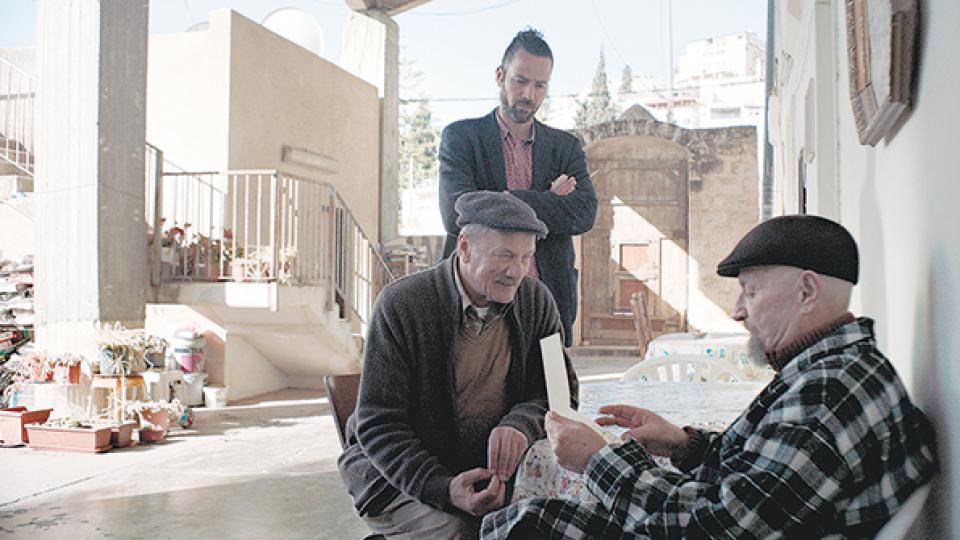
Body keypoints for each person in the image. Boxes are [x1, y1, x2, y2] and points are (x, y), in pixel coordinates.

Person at [481, 215, 938, 538]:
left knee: (530, 524)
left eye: (751, 292)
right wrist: (683, 444)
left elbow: (714, 527)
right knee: (530, 520)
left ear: (807, 291)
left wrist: (598, 462)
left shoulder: (828, 392)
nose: (739, 311)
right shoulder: (834, 368)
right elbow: (761, 475)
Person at [338, 191, 579, 539]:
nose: (516, 271)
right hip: (398, 476)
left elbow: (560, 393)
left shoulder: (535, 300)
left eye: (526, 258)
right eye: (504, 256)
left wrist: (521, 424)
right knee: (459, 531)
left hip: (483, 471)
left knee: (554, 523)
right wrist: (442, 487)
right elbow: (379, 425)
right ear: (464, 247)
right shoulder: (403, 305)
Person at [438, 28, 598, 347]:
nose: (529, 94)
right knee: (474, 395)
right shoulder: (462, 138)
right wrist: (548, 201)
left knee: (550, 395)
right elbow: (456, 211)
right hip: (476, 303)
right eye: (520, 81)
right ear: (500, 75)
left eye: (540, 85)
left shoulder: (564, 147)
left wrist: (506, 199)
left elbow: (584, 213)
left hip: (548, 307)